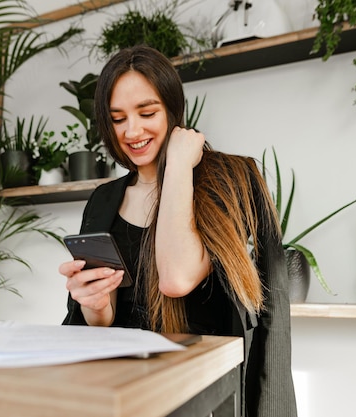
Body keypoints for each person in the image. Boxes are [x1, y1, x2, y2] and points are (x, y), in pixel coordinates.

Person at [58, 45, 297, 417]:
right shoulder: (104, 200)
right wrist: (96, 304)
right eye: (118, 119)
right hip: (124, 389)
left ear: (173, 109)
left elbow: (176, 277)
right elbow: (103, 324)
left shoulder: (227, 179)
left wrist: (181, 164)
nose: (132, 131)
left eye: (147, 112)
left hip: (201, 393)